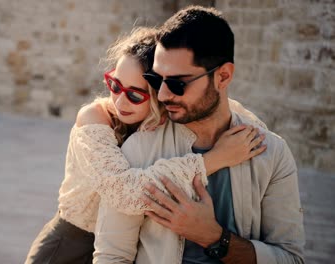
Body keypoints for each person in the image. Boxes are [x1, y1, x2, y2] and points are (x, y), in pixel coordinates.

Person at [25, 26, 266, 264]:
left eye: (135, 94)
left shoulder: (163, 119)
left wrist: (256, 132)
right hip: (69, 246)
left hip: (124, 250)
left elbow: (223, 107)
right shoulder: (95, 117)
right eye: (115, 85)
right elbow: (124, 194)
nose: (120, 100)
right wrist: (215, 159)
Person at [93, 5, 305, 264]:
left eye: (177, 83)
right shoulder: (139, 149)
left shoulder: (271, 154)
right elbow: (112, 257)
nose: (162, 95)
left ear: (223, 76)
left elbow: (291, 259)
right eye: (157, 80)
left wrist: (214, 238)